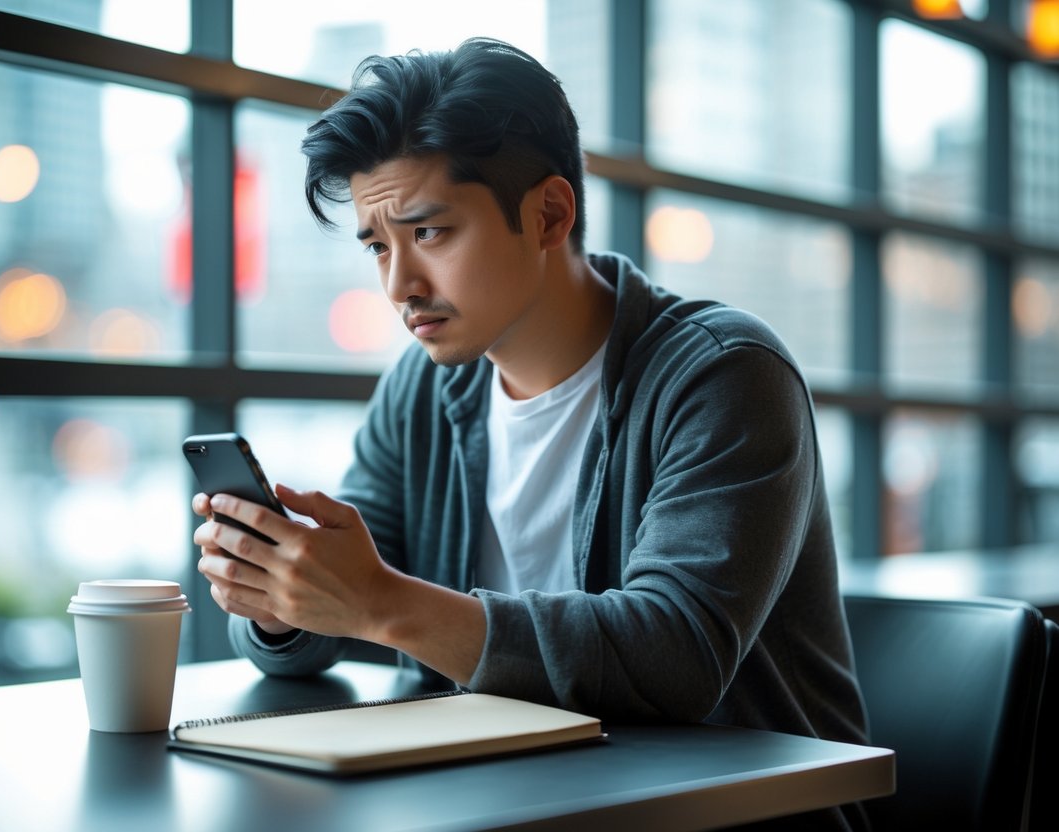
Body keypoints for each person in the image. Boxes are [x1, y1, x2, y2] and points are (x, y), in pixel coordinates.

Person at [193, 37, 868, 830]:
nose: (399, 285)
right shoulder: (426, 383)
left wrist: (379, 604)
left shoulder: (723, 374)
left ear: (548, 214)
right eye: (379, 246)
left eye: (431, 234)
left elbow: (676, 658)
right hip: (501, 802)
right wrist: (283, 598)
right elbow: (356, 601)